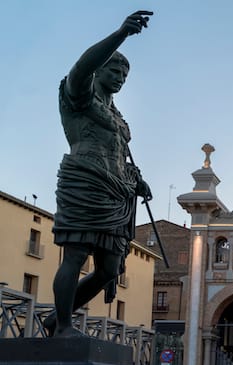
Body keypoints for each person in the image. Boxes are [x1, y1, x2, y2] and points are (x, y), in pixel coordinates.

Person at [45, 10, 154, 338]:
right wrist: (121, 34)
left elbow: (120, 155)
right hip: (86, 182)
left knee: (108, 270)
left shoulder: (116, 115)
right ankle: (63, 326)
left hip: (115, 191)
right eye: (115, 68)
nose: (121, 75)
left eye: (125, 72)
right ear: (100, 68)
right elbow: (82, 67)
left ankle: (54, 318)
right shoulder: (78, 95)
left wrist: (136, 181)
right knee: (75, 255)